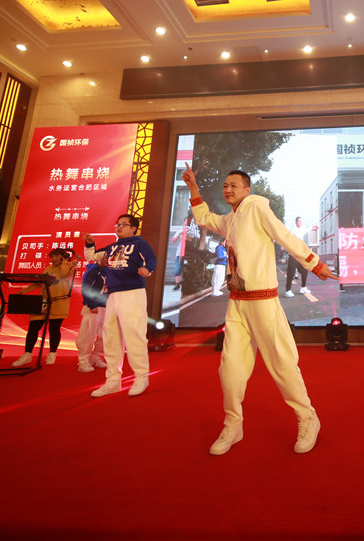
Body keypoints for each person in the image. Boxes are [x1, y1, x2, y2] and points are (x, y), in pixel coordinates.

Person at [181, 164, 338, 455]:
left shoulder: (256, 207)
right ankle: (233, 423)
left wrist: (314, 263)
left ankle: (307, 417)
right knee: (230, 368)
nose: (228, 189)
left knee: (282, 362)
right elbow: (204, 218)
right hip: (237, 303)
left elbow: (284, 236)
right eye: (225, 185)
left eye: (234, 185)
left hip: (263, 302)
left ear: (247, 189)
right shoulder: (231, 219)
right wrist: (193, 187)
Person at [81, 214, 156, 397]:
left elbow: (151, 260)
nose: (119, 227)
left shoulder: (139, 243)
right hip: (113, 295)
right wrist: (90, 243)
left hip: (133, 292)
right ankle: (113, 380)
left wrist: (147, 270)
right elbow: (91, 256)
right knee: (111, 336)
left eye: (124, 224)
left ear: (133, 228)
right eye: (118, 224)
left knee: (134, 334)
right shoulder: (112, 247)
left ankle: (141, 377)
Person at [13, 248, 75, 367]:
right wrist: (24, 291)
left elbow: (62, 274)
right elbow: (39, 283)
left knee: (54, 329)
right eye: (52, 257)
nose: (53, 259)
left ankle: (52, 353)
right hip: (44, 302)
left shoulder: (69, 267)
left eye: (56, 256)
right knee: (33, 327)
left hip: (59, 303)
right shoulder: (48, 269)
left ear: (63, 256)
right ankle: (27, 354)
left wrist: (65, 261)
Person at [76, 258, 108, 372]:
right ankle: (83, 361)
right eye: (106, 256)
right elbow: (86, 289)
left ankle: (95, 357)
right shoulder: (92, 270)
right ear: (99, 257)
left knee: (104, 335)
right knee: (88, 334)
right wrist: (92, 304)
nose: (108, 259)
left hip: (107, 307)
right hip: (93, 307)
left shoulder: (112, 271)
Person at [284, 217, 311, 297]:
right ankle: (287, 290)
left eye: (301, 221)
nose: (300, 223)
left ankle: (303, 287)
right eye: (299, 221)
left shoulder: (301, 229)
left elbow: (306, 230)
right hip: (293, 254)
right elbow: (288, 237)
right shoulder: (293, 229)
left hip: (299, 254)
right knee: (291, 272)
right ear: (296, 222)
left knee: (305, 270)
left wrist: (313, 227)